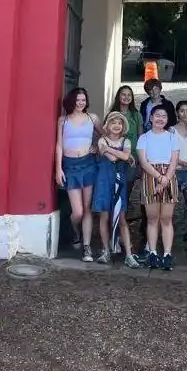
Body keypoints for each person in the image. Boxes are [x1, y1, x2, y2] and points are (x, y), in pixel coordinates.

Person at [55, 87, 101, 262]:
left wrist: (96, 147)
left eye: (83, 100)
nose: (80, 103)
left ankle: (87, 247)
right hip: (70, 166)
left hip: (88, 164)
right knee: (78, 211)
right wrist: (58, 168)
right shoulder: (63, 120)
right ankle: (74, 229)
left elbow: (105, 136)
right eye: (77, 100)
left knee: (87, 208)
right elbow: (59, 145)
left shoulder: (93, 118)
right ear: (71, 101)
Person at [93, 112, 140, 268]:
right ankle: (105, 250)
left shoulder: (126, 141)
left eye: (119, 123)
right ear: (107, 125)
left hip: (120, 182)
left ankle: (128, 253)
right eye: (113, 122)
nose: (116, 125)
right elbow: (116, 158)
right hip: (104, 181)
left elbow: (125, 157)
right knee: (104, 216)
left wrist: (115, 152)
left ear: (123, 126)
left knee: (122, 218)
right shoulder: (101, 140)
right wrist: (125, 155)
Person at [137, 105, 180, 270]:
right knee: (152, 218)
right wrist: (159, 177)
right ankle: (153, 252)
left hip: (168, 176)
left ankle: (167, 254)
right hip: (150, 176)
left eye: (164, 116)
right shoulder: (144, 138)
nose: (160, 119)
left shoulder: (171, 137)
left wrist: (166, 178)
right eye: (157, 115)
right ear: (151, 118)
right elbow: (143, 161)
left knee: (166, 218)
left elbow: (174, 160)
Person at [109, 85, 142, 200]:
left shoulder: (136, 115)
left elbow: (140, 137)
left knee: (127, 189)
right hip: (115, 157)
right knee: (115, 189)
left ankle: (123, 213)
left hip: (132, 158)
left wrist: (139, 156)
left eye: (129, 95)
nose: (126, 97)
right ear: (118, 96)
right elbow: (107, 138)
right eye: (123, 94)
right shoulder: (112, 114)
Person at [172, 100, 187, 239]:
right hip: (174, 170)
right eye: (182, 110)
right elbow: (170, 153)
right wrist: (182, 163)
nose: (185, 113)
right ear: (177, 113)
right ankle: (167, 228)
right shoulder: (172, 130)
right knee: (171, 202)